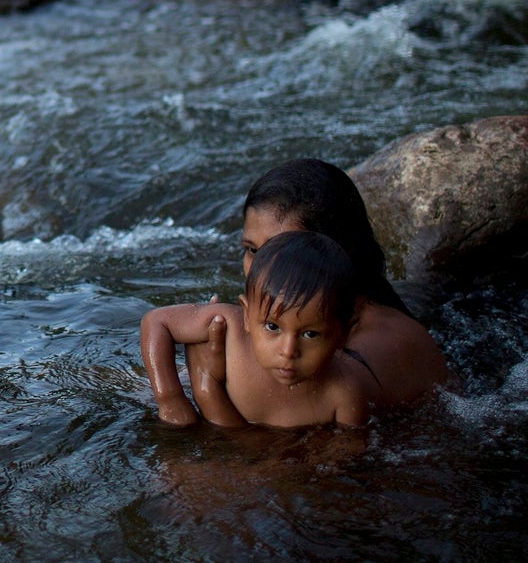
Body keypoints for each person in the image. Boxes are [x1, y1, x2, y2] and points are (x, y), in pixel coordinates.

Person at [185, 159, 449, 425]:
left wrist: (206, 382)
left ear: (333, 252)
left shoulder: (372, 348)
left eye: (282, 252)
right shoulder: (303, 325)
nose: (258, 272)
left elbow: (276, 460)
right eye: (252, 251)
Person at [141, 231, 377, 429]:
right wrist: (169, 398)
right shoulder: (231, 328)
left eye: (310, 334)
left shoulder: (344, 395)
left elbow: (341, 464)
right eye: (273, 327)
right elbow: (156, 321)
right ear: (247, 314)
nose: (288, 351)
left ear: (343, 335)